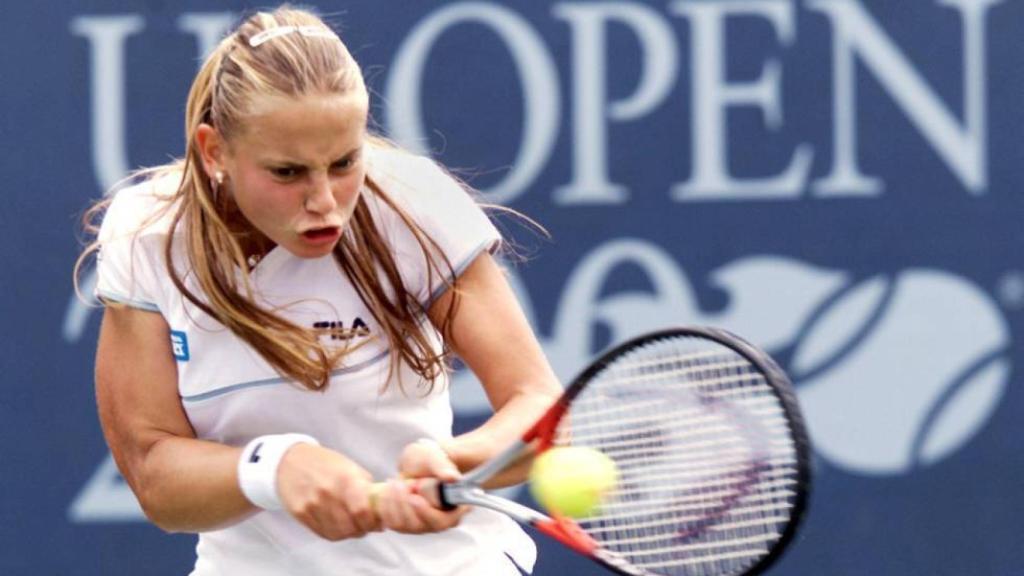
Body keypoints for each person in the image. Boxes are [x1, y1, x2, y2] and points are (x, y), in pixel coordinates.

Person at [76, 7, 562, 575]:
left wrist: (451, 462)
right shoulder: (149, 235)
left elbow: (543, 408)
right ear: (214, 152)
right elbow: (154, 476)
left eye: (344, 162)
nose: (325, 201)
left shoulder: (413, 208)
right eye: (287, 172)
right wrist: (274, 467)